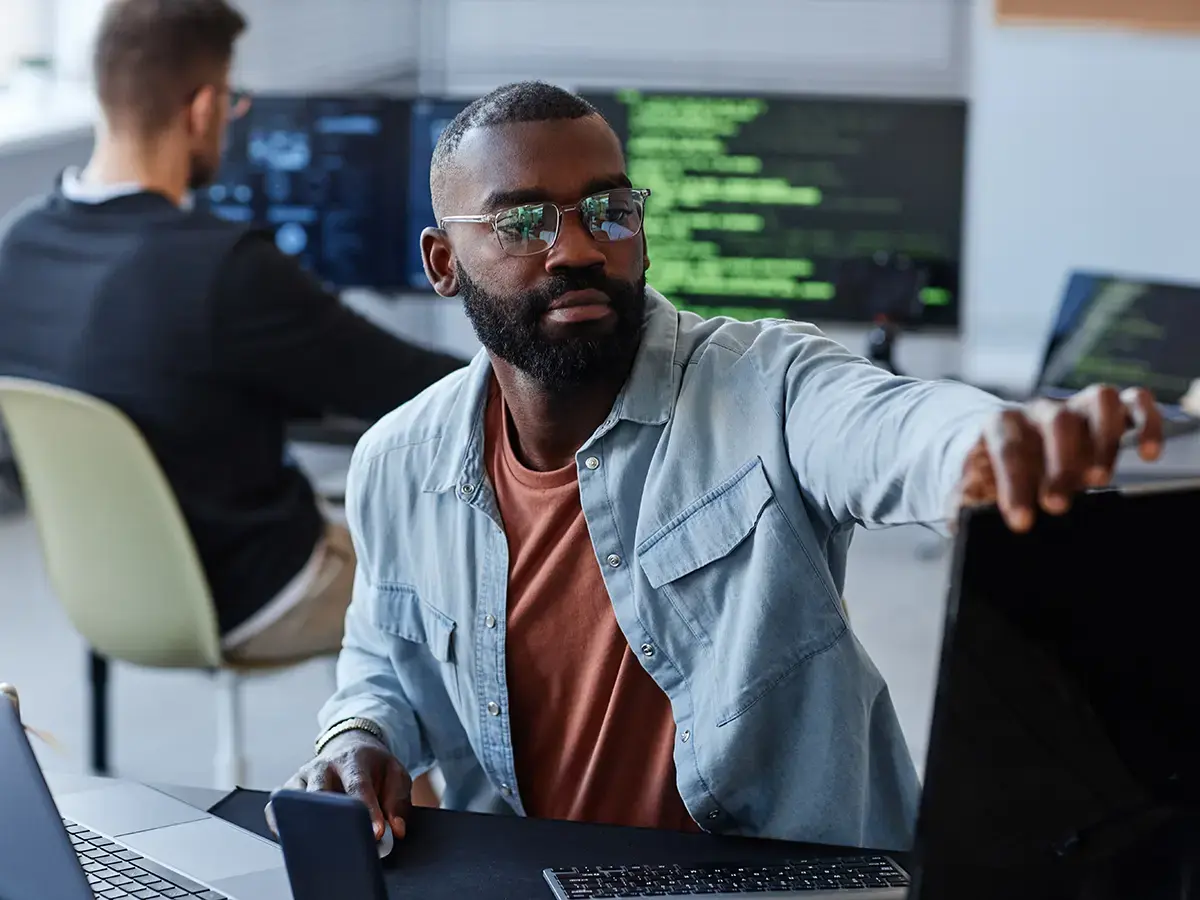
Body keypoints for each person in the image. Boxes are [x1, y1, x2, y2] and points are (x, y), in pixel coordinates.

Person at [274, 82, 1164, 849]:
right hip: (533, 876)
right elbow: (383, 666)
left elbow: (891, 424)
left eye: (609, 210)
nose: (579, 249)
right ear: (442, 262)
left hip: (788, 885)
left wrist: (992, 443)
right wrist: (361, 734)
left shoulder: (766, 385)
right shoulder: (397, 461)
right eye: (523, 223)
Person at [0, 0, 465, 668]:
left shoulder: (19, 244)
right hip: (259, 591)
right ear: (203, 107)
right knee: (459, 577)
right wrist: (531, 372)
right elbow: (407, 387)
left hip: (100, 591)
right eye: (233, 103)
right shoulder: (223, 267)